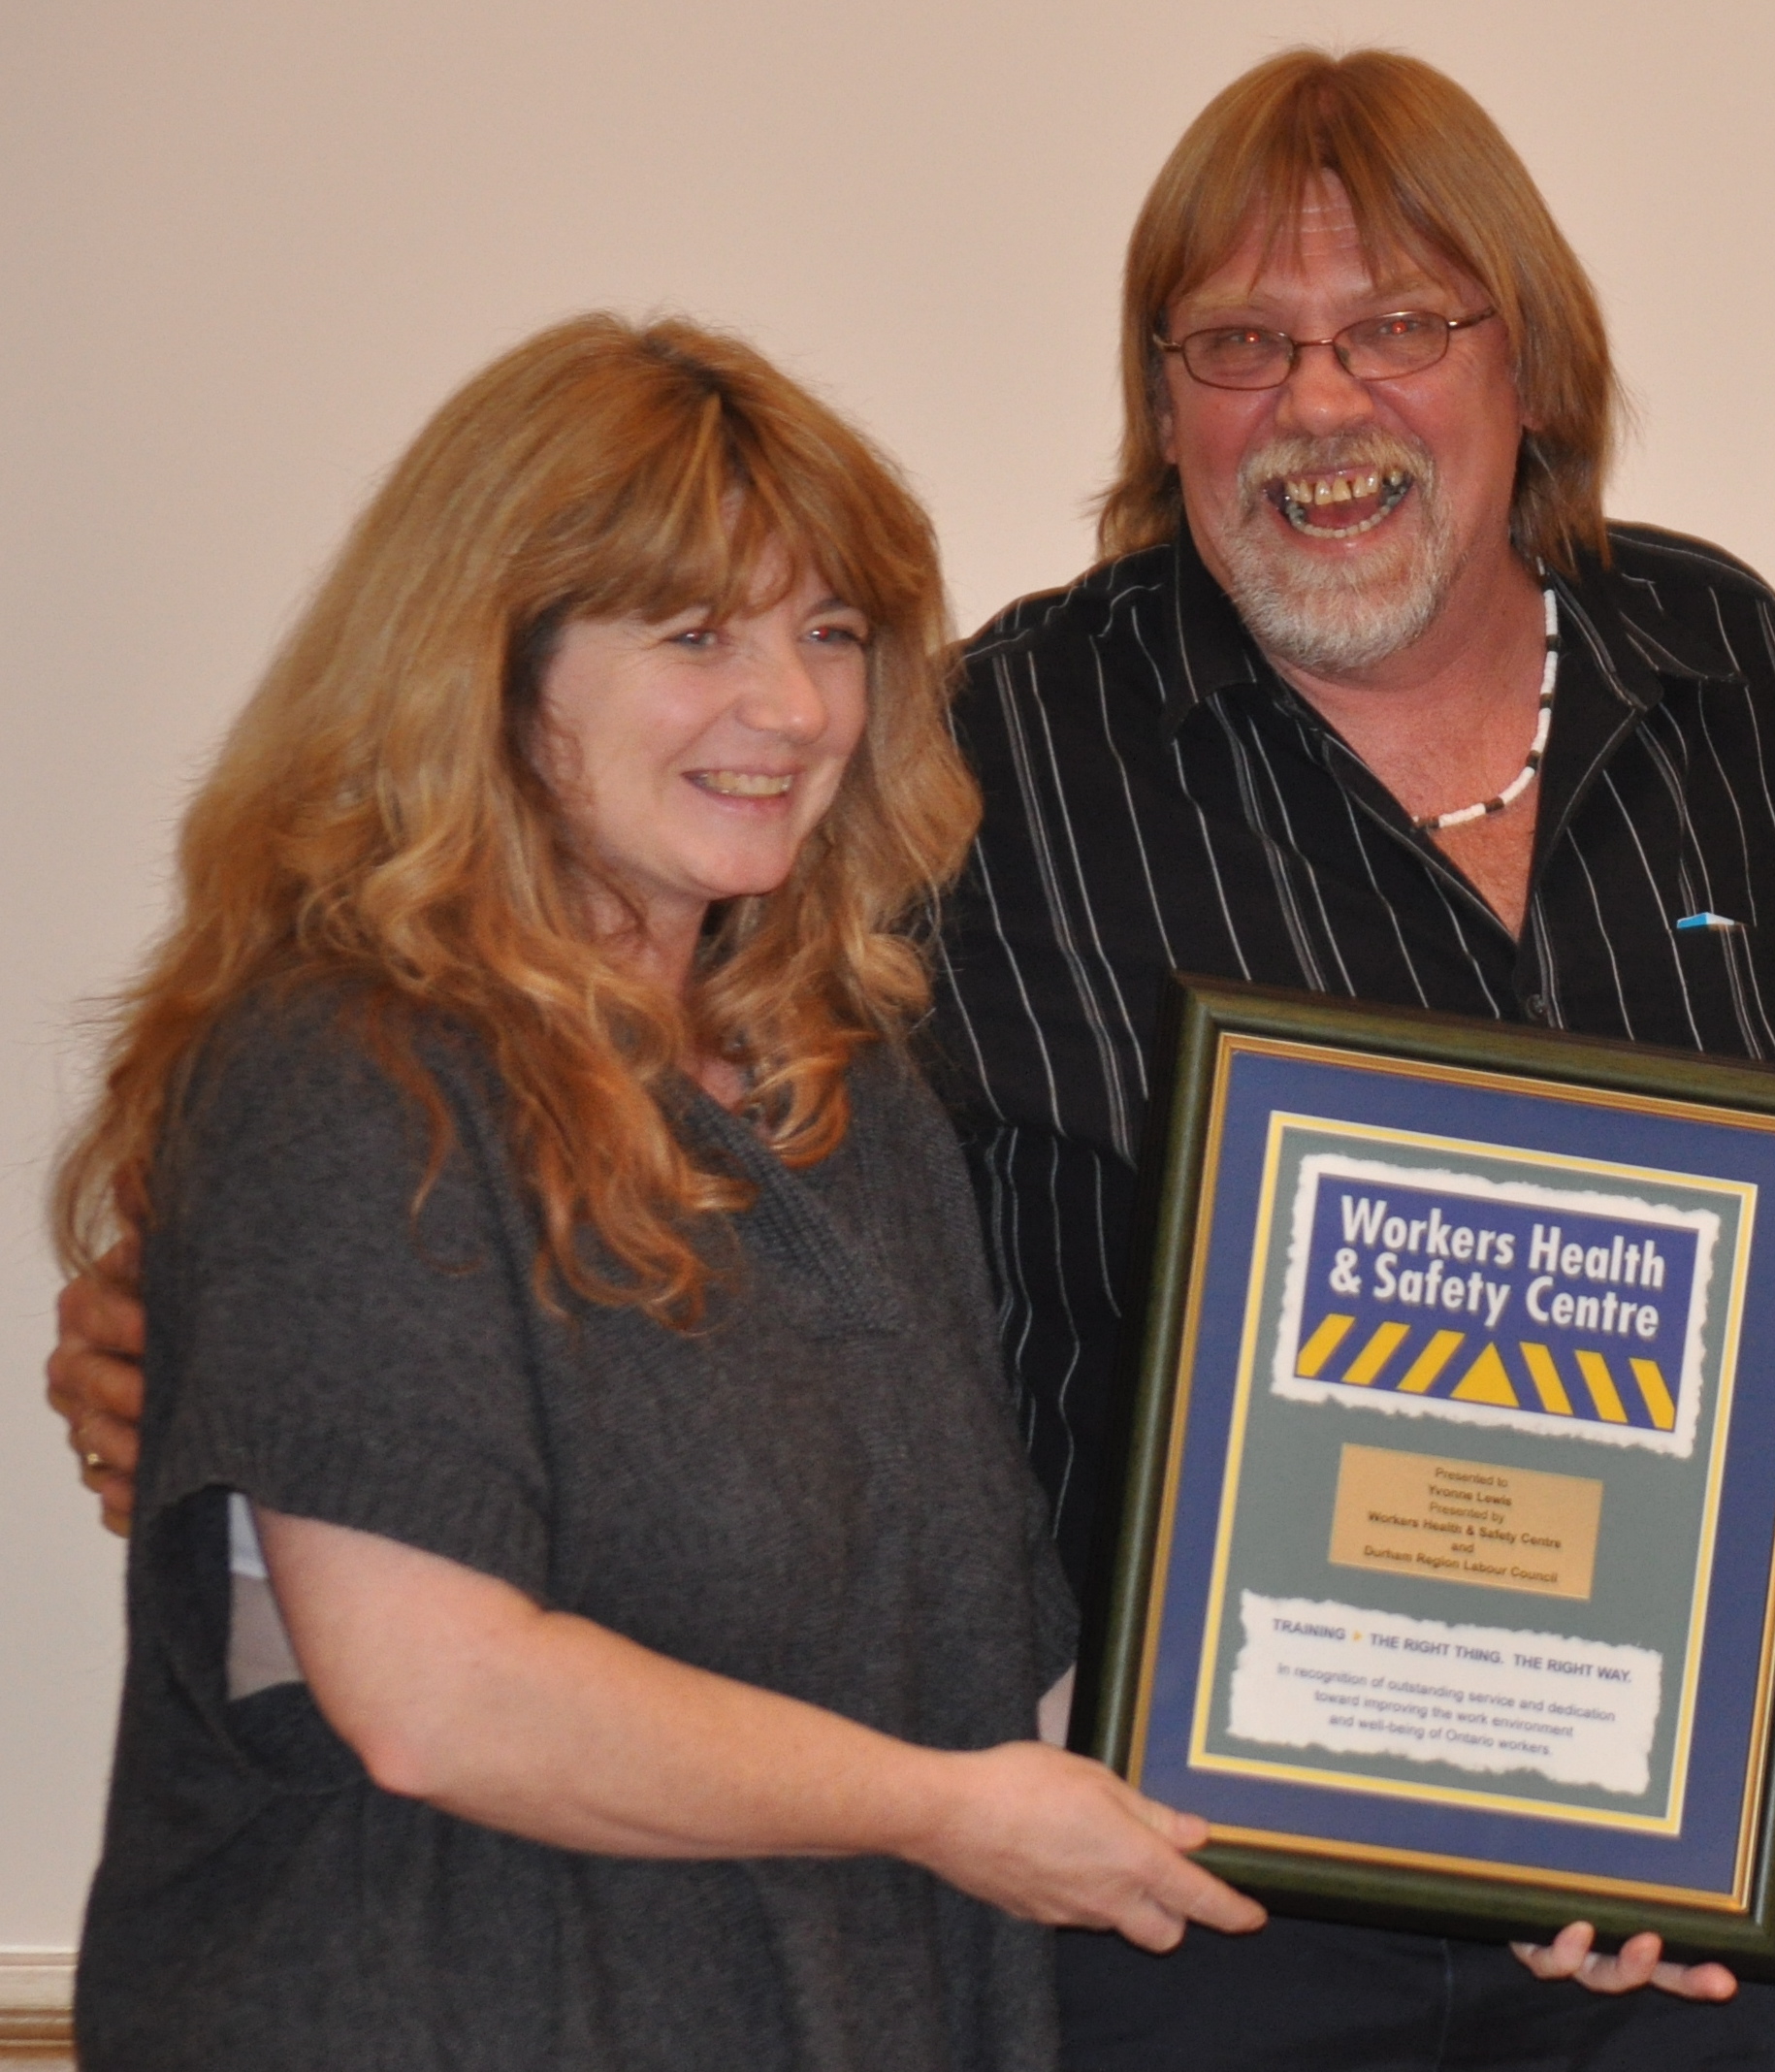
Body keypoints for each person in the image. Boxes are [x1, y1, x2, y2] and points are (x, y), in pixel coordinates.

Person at [53, 49, 1775, 2071]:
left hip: (1548, 1892)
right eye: (1241, 343)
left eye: (831, 634)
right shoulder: (976, 779)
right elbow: (423, 1595)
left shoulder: (1732, 686)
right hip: (1117, 1949)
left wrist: (1617, 1801)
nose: (784, 711)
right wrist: (219, 1345)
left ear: (1527, 362)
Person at [49, 313, 1258, 2072]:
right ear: (493, 665)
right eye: (696, 636)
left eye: (831, 633)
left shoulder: (852, 1100)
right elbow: (439, 1695)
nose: (793, 708)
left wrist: (1527, 1833)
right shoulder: (351, 1074)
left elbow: (1005, 1671)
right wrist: (939, 1809)